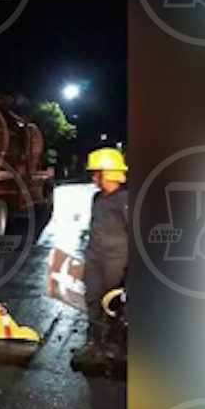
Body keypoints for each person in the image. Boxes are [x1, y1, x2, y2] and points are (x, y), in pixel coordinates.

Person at [73, 147, 128, 365]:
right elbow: (93, 227)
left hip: (117, 260)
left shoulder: (125, 200)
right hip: (96, 258)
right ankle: (94, 343)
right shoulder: (97, 198)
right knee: (93, 299)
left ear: (110, 173)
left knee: (113, 304)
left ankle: (116, 346)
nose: (94, 178)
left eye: (97, 173)